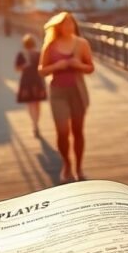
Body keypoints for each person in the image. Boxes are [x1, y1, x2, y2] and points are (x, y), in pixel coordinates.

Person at [39, 12, 94, 182]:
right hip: (58, 93)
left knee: (78, 131)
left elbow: (90, 67)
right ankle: (67, 165)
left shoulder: (82, 44)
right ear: (58, 27)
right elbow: (41, 70)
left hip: (77, 92)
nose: (68, 26)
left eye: (71, 23)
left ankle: (78, 167)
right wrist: (57, 66)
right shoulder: (50, 45)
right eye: (65, 24)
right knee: (63, 131)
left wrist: (78, 65)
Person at [15, 34, 47, 137]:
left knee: (31, 104)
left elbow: (17, 69)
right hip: (37, 80)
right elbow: (43, 69)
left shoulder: (21, 54)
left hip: (26, 80)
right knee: (36, 104)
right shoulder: (38, 54)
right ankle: (36, 123)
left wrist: (25, 65)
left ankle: (34, 124)